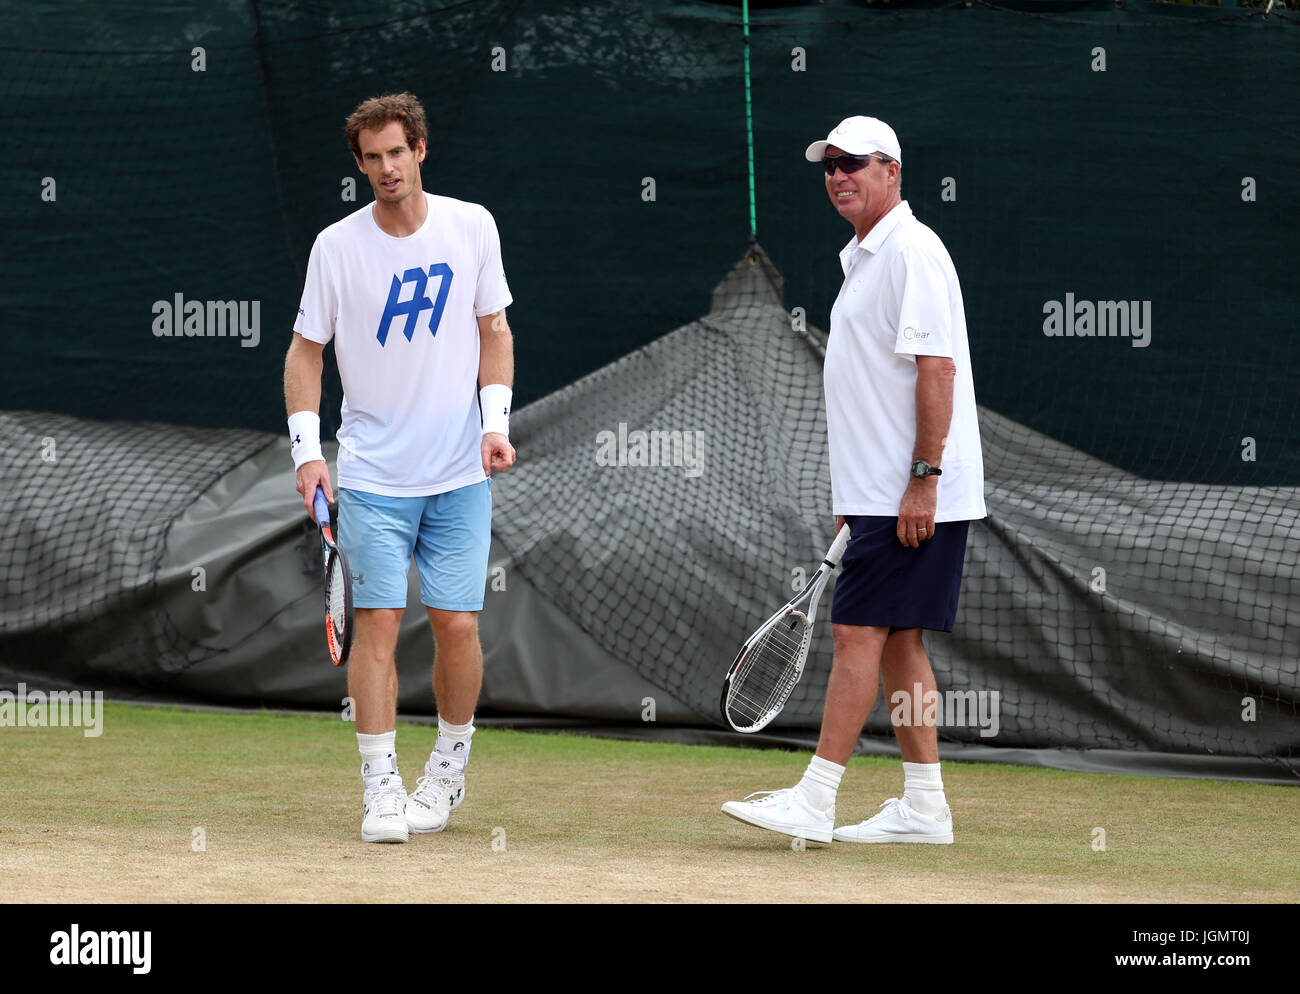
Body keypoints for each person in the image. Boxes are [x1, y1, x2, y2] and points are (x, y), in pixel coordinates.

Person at [722, 116, 986, 845]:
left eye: (853, 163)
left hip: (914, 492)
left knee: (857, 632)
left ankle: (816, 796)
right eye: (829, 165)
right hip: (882, 496)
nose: (838, 175)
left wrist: (922, 482)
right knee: (900, 645)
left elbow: (937, 370)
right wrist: (859, 502)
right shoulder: (867, 257)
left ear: (891, 172)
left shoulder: (912, 251)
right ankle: (926, 806)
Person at [283, 92, 516, 844]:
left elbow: (495, 332)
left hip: (458, 473)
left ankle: (445, 773)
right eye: (371, 157)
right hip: (375, 475)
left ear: (420, 149)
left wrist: (494, 426)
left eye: (396, 152)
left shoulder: (472, 225)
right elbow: (304, 353)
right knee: (376, 624)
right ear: (360, 165)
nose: (386, 167)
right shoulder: (335, 247)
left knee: (455, 624)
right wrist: (308, 452)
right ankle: (381, 788)